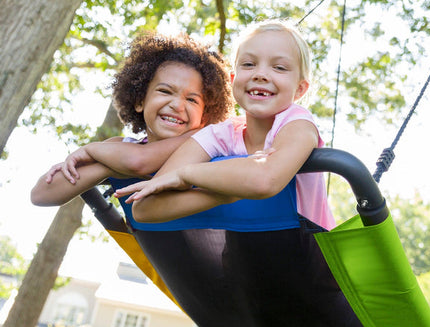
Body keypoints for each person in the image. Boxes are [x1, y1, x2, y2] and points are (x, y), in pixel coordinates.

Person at [115, 20, 335, 230]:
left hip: (311, 258)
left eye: (279, 67)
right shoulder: (220, 134)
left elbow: (265, 180)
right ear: (232, 79)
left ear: (300, 89)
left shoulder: (299, 124)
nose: (260, 74)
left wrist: (185, 175)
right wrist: (221, 194)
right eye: (248, 64)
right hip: (238, 264)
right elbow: (143, 208)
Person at [31, 32, 234, 207]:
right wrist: (109, 166)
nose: (177, 105)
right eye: (165, 91)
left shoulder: (210, 143)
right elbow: (41, 194)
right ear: (139, 100)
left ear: (205, 115)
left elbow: (138, 162)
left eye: (192, 99)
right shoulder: (119, 148)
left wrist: (93, 151)